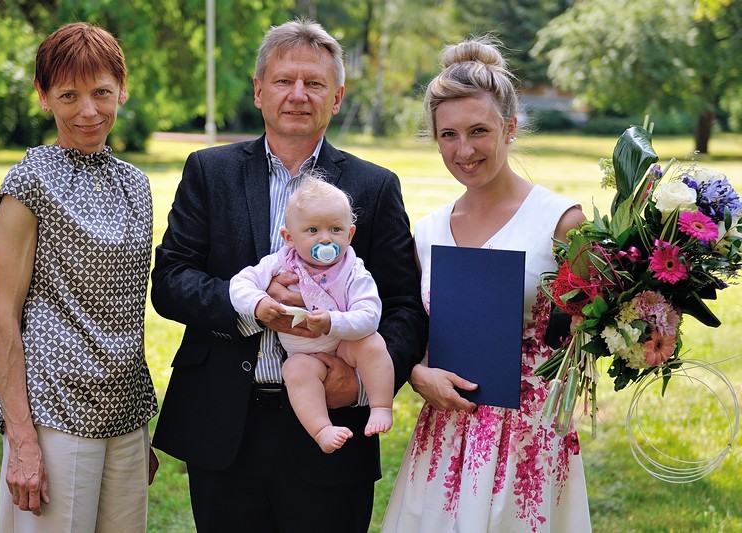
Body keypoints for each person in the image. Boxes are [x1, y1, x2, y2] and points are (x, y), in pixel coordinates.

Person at [150, 18, 427, 533]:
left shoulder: (374, 187)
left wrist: (360, 383)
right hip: (225, 427)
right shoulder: (210, 172)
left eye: (314, 83)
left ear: (336, 97)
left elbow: (404, 307)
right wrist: (251, 308)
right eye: (283, 81)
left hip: (333, 428)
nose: (298, 94)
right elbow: (170, 280)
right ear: (259, 91)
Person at [381, 37, 592, 532]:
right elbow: (415, 331)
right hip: (445, 435)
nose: (464, 150)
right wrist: (416, 373)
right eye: (448, 135)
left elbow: (594, 330)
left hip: (529, 439)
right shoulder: (428, 233)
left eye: (479, 131)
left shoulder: (561, 222)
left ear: (510, 127)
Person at [0, 22, 158, 532]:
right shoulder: (29, 181)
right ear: (44, 96)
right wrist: (22, 439)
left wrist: (139, 430)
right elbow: (2, 316)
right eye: (69, 95)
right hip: (53, 415)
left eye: (101, 92)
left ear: (121, 90)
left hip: (125, 415)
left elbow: (126, 312)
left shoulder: (136, 184)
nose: (88, 111)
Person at [229, 176, 395, 453]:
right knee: (295, 370)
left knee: (372, 342)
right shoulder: (280, 263)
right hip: (304, 353)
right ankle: (321, 429)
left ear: (350, 234)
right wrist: (258, 303)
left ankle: (380, 407)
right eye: (313, 230)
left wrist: (332, 322)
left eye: (335, 229)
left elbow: (369, 315)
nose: (326, 238)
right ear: (289, 237)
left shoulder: (353, 270)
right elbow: (240, 283)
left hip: (345, 346)